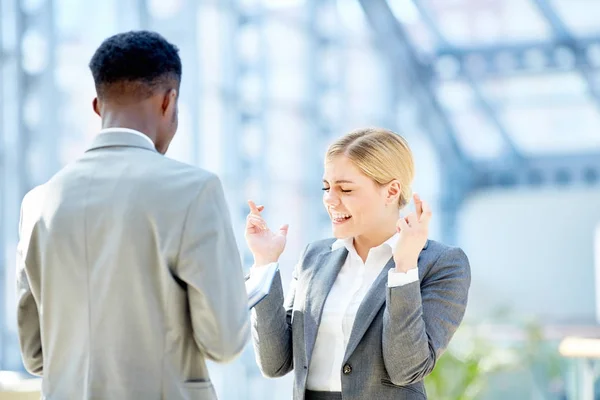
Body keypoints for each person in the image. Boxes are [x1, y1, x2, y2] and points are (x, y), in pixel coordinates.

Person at [16, 30, 249, 400]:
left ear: (97, 105)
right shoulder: (194, 189)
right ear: (169, 101)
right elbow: (224, 341)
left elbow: (34, 353)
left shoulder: (38, 202)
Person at [245, 128, 471, 400]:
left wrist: (404, 269)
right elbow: (275, 363)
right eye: (326, 187)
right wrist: (265, 263)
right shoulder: (314, 257)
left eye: (346, 189)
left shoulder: (441, 264)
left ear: (391, 191)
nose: (329, 199)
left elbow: (406, 369)